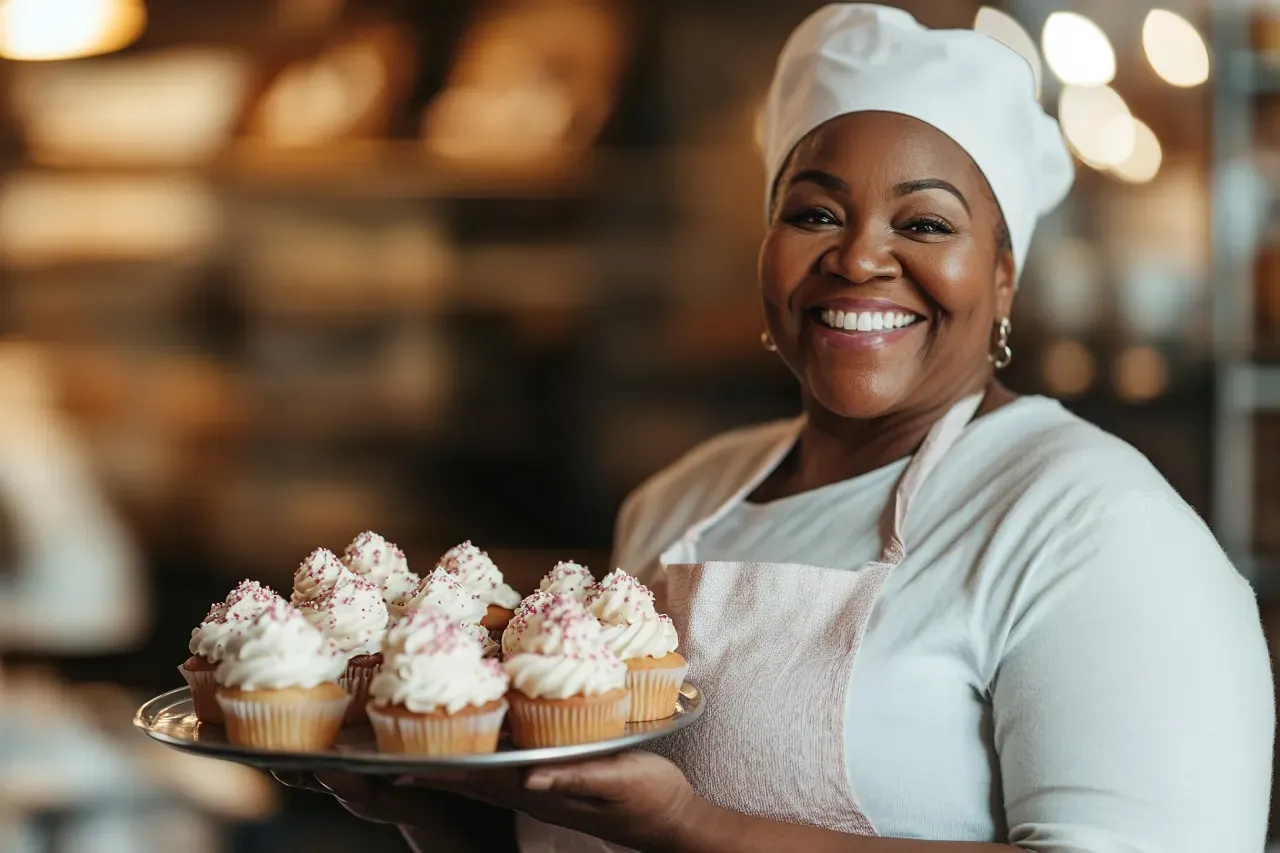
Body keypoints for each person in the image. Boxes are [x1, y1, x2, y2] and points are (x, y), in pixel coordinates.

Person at [282, 5, 1275, 852]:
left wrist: (693, 828)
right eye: (812, 212)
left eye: (924, 223)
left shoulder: (1088, 525)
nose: (858, 260)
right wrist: (437, 815)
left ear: (1003, 274)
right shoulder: (679, 499)